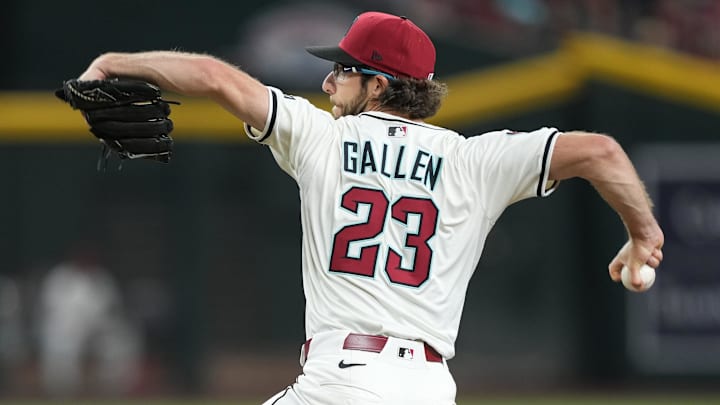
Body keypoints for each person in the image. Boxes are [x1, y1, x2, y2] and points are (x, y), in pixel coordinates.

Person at [73, 11, 664, 405]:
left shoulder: (319, 137)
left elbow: (211, 76)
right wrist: (643, 236)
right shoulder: (472, 161)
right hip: (430, 389)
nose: (329, 82)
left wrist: (112, 62)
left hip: (340, 383)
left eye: (342, 70)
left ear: (378, 85)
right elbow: (602, 151)